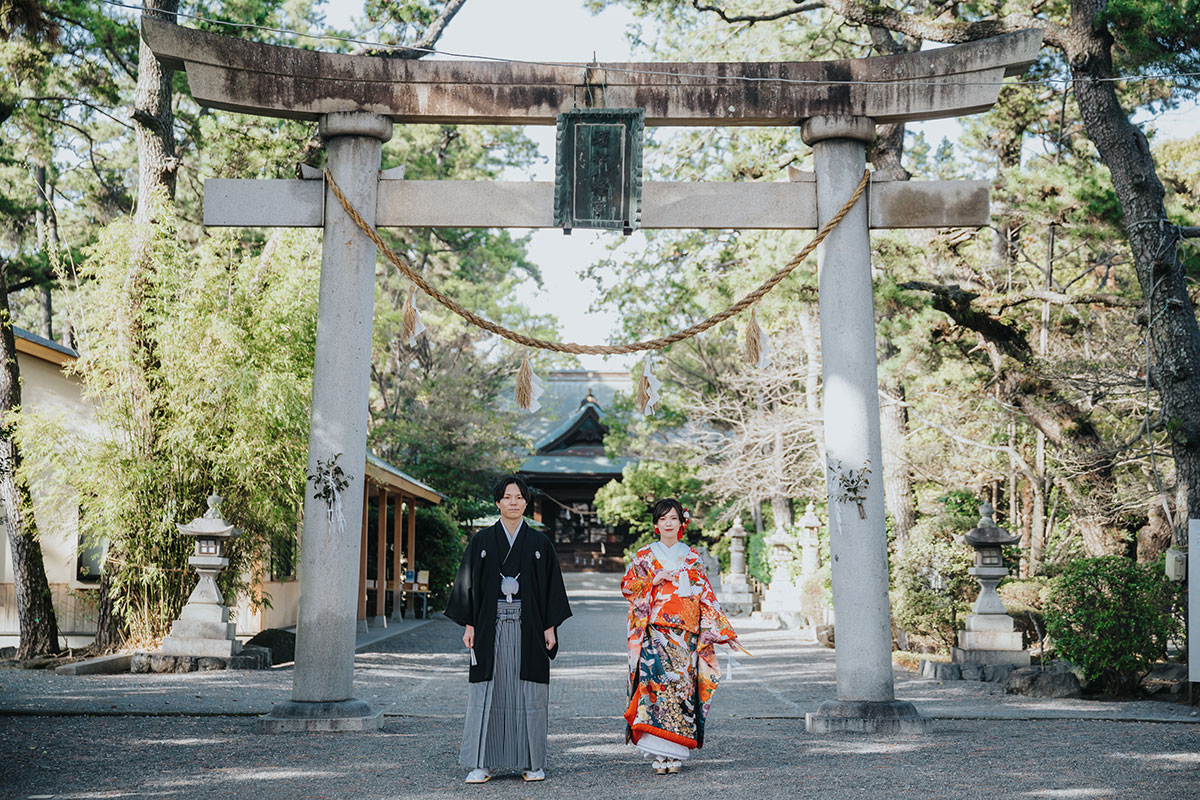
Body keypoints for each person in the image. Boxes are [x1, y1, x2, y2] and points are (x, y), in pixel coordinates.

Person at [445, 476, 572, 784]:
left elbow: (552, 588)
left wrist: (550, 627)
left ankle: (532, 763)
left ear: (526, 503)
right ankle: (481, 763)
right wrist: (470, 625)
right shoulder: (481, 541)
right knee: (486, 693)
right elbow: (468, 585)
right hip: (491, 627)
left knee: (530, 694)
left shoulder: (540, 543)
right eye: (507, 497)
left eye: (519, 497)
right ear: (498, 502)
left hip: (529, 629)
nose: (513, 502)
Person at [622, 498, 742, 775]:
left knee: (682, 691)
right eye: (663, 518)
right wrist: (653, 580)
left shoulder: (692, 557)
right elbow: (628, 587)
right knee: (655, 692)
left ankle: (674, 754)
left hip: (685, 636)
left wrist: (723, 632)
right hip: (654, 633)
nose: (668, 523)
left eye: (673, 518)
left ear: (681, 523)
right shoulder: (643, 556)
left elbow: (706, 596)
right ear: (655, 524)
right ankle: (658, 753)